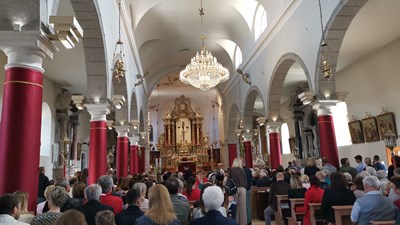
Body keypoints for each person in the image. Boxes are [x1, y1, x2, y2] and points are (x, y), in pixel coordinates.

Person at [230, 158, 247, 225]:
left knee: (235, 207)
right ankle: (243, 223)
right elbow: (245, 181)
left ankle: (235, 222)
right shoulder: (242, 170)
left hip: (234, 189)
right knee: (243, 208)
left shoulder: (231, 170)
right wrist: (244, 188)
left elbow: (229, 180)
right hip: (242, 189)